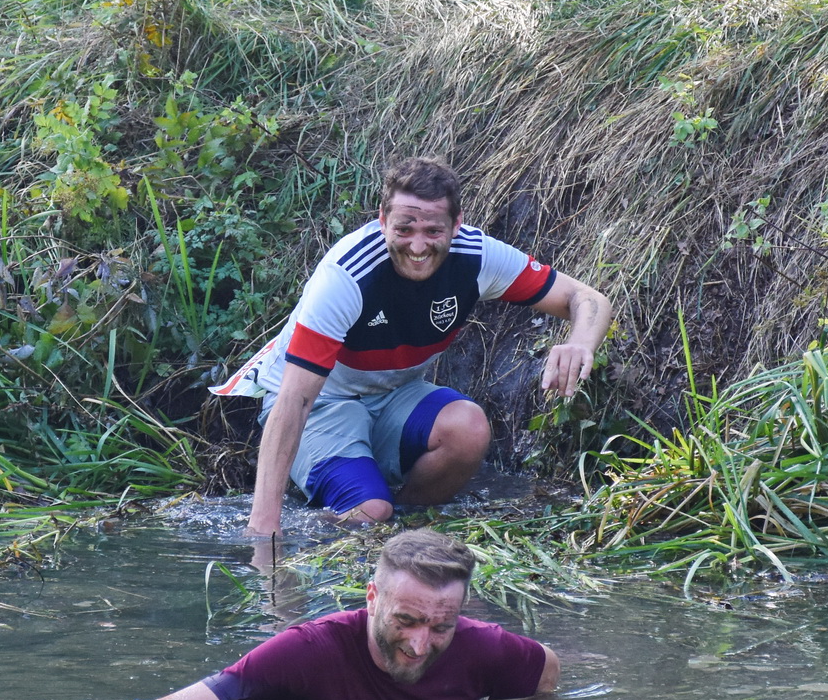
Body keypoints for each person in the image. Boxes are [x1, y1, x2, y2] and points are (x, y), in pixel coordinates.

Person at [216, 157, 614, 535]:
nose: (418, 247)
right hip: (322, 402)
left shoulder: (477, 257)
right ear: (383, 220)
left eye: (433, 232)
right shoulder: (346, 276)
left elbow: (587, 298)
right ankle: (353, 511)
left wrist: (579, 343)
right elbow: (295, 400)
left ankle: (404, 527)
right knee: (369, 512)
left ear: (456, 225)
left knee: (468, 429)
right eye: (404, 229)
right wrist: (263, 524)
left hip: (394, 395)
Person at [139, 528, 561, 700]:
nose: (419, 645)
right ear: (372, 598)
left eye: (441, 627)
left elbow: (546, 669)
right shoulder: (306, 652)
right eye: (406, 621)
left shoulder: (484, 648)